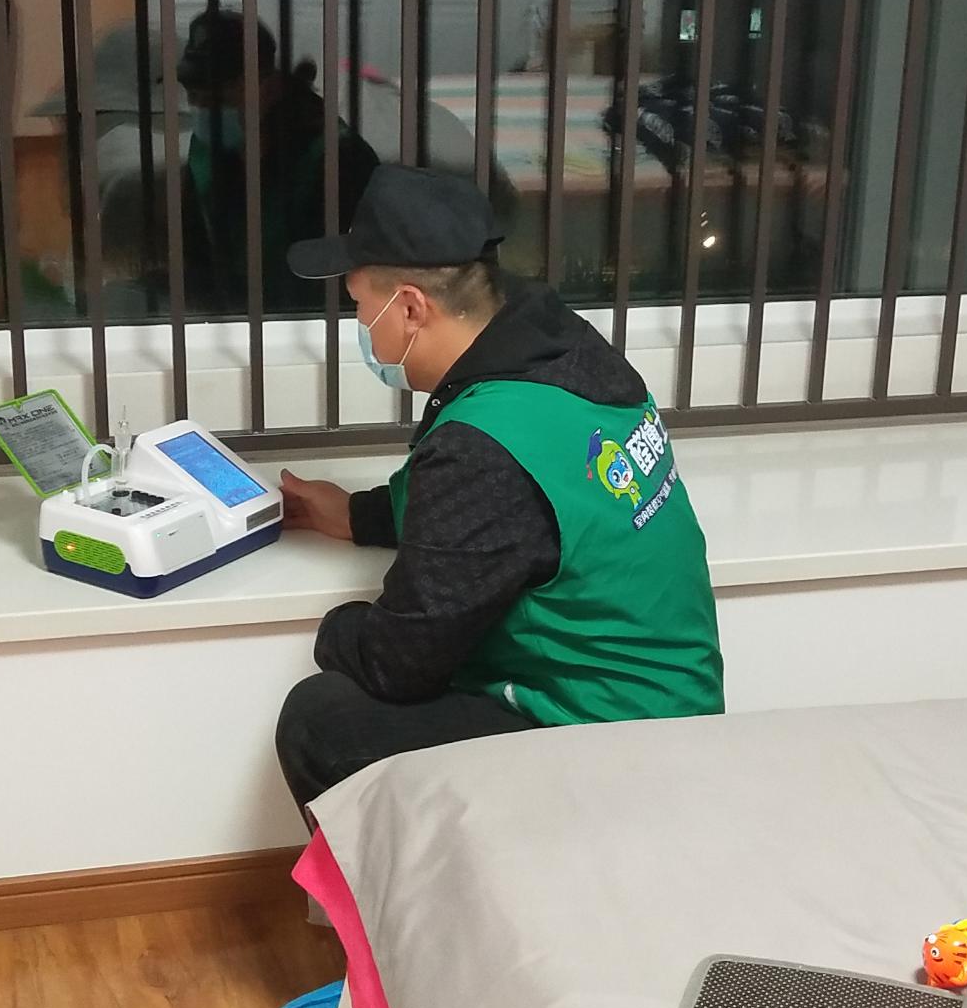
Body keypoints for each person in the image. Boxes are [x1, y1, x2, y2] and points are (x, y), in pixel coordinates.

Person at [271, 166, 725, 808]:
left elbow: (397, 664)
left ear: (410, 308)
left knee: (320, 720)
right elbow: (502, 511)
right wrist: (354, 514)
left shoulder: (479, 448)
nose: (362, 324)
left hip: (610, 744)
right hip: (676, 708)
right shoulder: (562, 352)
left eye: (360, 305)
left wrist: (332, 628)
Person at [176, 10, 379, 317]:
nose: (204, 109)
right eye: (195, 96)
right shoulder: (206, 151)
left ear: (267, 84)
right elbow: (196, 257)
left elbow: (349, 280)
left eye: (220, 96)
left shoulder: (337, 159)